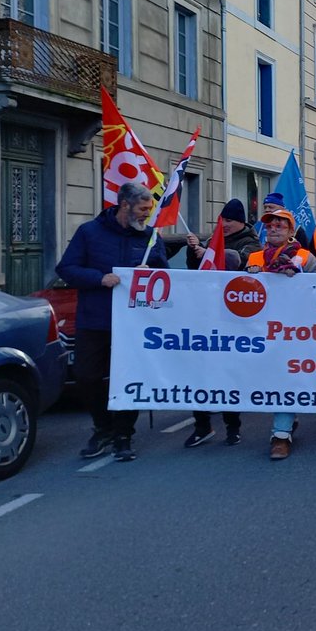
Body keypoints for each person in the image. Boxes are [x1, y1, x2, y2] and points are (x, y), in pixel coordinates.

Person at [56, 181, 170, 463]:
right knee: (86, 376)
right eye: (143, 208)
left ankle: (123, 435)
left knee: (128, 379)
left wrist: (151, 271)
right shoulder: (89, 232)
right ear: (125, 205)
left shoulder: (151, 238)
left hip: (134, 323)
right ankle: (103, 427)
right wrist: (99, 278)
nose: (147, 214)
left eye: (149, 208)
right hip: (94, 320)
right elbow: (66, 269)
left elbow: (165, 274)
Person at [248, 205, 316, 459]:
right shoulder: (254, 257)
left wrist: (297, 279)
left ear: (291, 231)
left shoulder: (305, 257)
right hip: (263, 330)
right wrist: (250, 277)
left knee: (284, 377)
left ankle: (280, 434)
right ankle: (287, 420)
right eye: (270, 224)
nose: (274, 228)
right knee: (276, 377)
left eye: (280, 224)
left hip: (295, 330)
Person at [183, 248, 245, 447]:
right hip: (204, 345)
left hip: (229, 348)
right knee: (199, 384)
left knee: (227, 387)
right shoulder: (199, 288)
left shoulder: (242, 288)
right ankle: (203, 427)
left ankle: (232, 428)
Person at [184, 197, 260, 268]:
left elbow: (239, 260)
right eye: (221, 221)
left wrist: (207, 254)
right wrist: (194, 247)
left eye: (228, 221)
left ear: (241, 222)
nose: (223, 225)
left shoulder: (252, 243)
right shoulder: (213, 240)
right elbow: (195, 267)